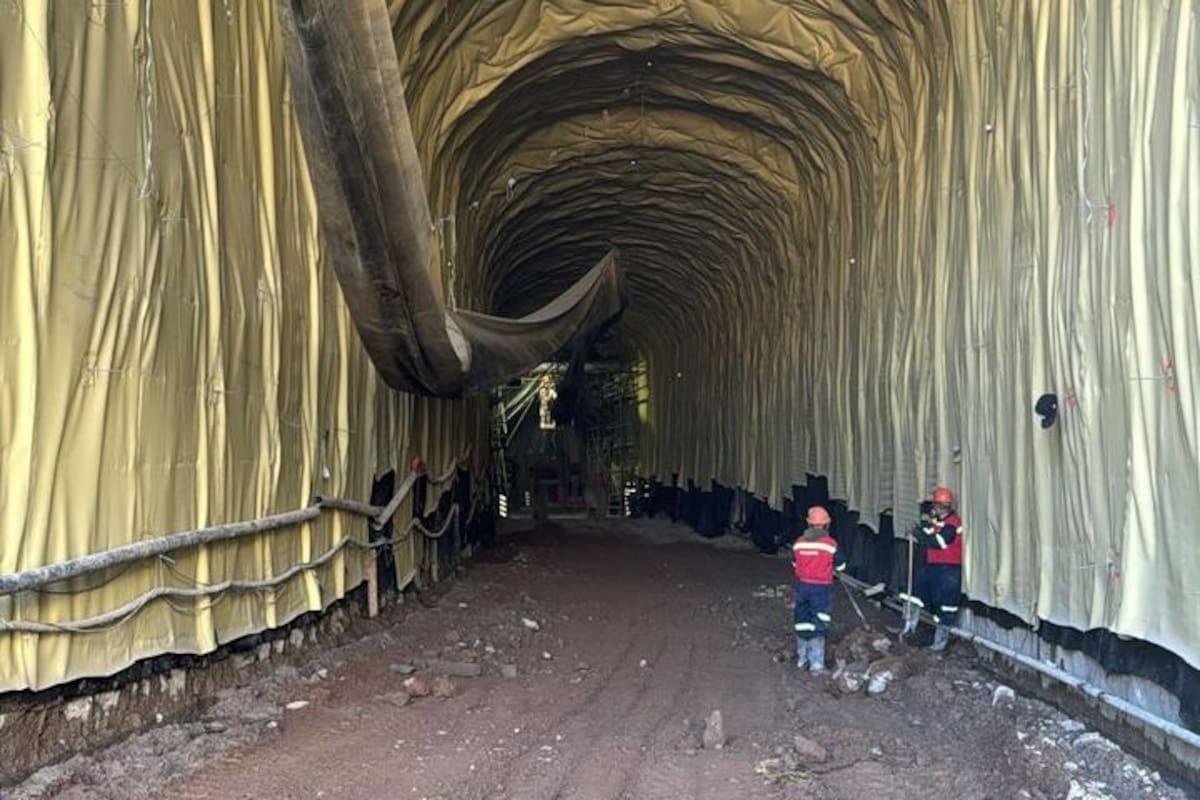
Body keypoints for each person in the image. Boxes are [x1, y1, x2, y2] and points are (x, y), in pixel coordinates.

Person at [792, 506, 847, 672]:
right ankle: (816, 664)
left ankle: (802, 660)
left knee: (802, 620)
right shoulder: (830, 544)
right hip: (821, 588)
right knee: (819, 621)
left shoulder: (799, 543)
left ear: (808, 523)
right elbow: (841, 565)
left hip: (802, 586)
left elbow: (795, 563)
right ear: (826, 524)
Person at [911, 486, 964, 651]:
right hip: (934, 566)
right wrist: (918, 531)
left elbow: (939, 542)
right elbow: (929, 533)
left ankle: (939, 644)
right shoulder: (939, 522)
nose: (932, 507)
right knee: (917, 594)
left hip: (948, 570)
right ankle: (910, 627)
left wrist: (919, 534)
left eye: (934, 504)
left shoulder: (953, 524)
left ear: (941, 506)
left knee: (946, 605)